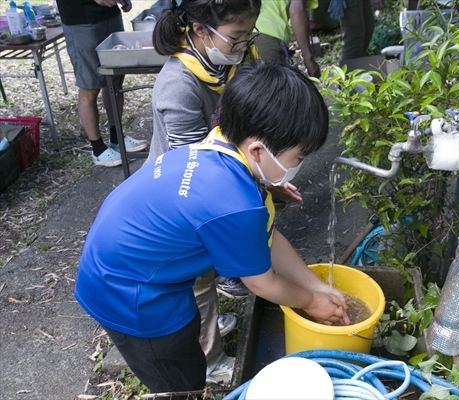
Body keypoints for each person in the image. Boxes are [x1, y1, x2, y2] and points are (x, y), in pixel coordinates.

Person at [74, 61, 350, 397]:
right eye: (298, 157)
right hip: (128, 293)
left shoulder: (220, 145)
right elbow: (262, 283)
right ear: (258, 151)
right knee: (179, 375)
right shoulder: (237, 203)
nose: (298, 166)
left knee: (187, 339)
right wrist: (310, 301)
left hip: (124, 261)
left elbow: (268, 237)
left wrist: (316, 286)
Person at [149, 0, 262, 383]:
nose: (244, 45)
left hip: (214, 173)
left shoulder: (225, 61)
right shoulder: (178, 85)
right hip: (180, 195)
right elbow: (194, 173)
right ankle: (210, 361)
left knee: (209, 270)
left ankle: (211, 320)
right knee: (196, 278)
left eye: (250, 35)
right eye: (236, 37)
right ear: (200, 31)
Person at [55, 0, 148, 167]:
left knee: (114, 80)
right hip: (81, 20)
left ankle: (117, 137)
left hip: (109, 14)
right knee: (89, 86)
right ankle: (97, 149)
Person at [254, 0, 321, 78]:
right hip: (267, 34)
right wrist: (309, 59)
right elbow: (296, 11)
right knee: (277, 86)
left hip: (241, 36)